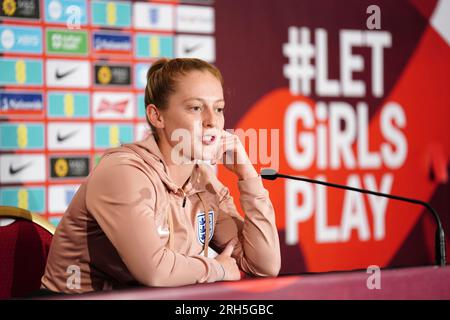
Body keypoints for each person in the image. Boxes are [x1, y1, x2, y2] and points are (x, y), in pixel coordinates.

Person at [41, 57, 281, 293]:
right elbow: (154, 271)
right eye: (196, 108)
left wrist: (247, 176)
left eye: (218, 109)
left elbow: (263, 266)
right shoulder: (123, 171)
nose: (212, 122)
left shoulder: (204, 182)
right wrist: (217, 270)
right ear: (157, 116)